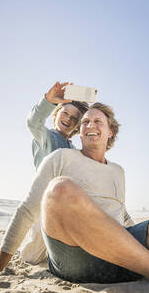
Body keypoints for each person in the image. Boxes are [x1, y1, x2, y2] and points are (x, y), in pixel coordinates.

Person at [0, 103, 149, 291]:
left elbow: (121, 211)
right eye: (85, 122)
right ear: (79, 133)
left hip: (123, 257)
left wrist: (141, 238)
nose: (90, 125)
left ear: (111, 132)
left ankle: (144, 263)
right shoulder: (60, 157)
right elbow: (27, 210)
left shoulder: (118, 171)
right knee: (60, 188)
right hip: (75, 257)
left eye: (98, 121)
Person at [20, 81, 89, 264]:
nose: (69, 119)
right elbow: (33, 122)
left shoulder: (73, 148)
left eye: (75, 119)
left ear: (77, 127)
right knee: (31, 256)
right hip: (43, 202)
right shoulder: (46, 137)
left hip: (65, 206)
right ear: (56, 114)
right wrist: (48, 101)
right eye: (65, 113)